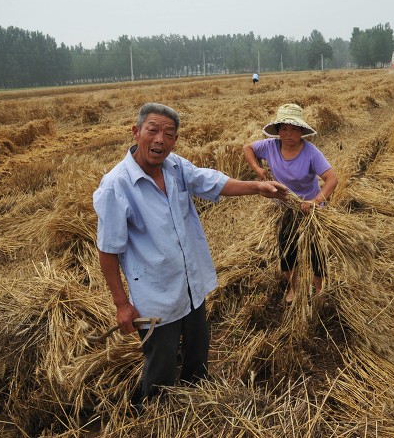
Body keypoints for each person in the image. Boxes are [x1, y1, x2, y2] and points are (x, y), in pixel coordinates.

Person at [93, 102, 288, 404]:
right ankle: (155, 414)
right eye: (153, 130)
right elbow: (107, 252)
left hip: (190, 284)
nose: (160, 139)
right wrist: (121, 304)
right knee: (162, 363)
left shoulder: (175, 167)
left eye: (169, 134)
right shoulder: (116, 187)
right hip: (157, 296)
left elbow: (212, 181)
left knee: (198, 351)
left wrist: (257, 186)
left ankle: (196, 400)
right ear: (136, 132)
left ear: (175, 140)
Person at [243, 103, 338, 303]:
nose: (288, 134)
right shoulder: (269, 147)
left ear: (302, 131)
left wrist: (316, 201)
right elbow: (248, 148)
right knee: (287, 253)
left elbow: (332, 179)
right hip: (286, 208)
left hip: (311, 210)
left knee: (316, 253)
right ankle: (292, 288)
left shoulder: (311, 152)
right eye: (284, 129)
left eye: (294, 129)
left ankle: (319, 290)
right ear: (277, 131)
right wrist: (258, 169)